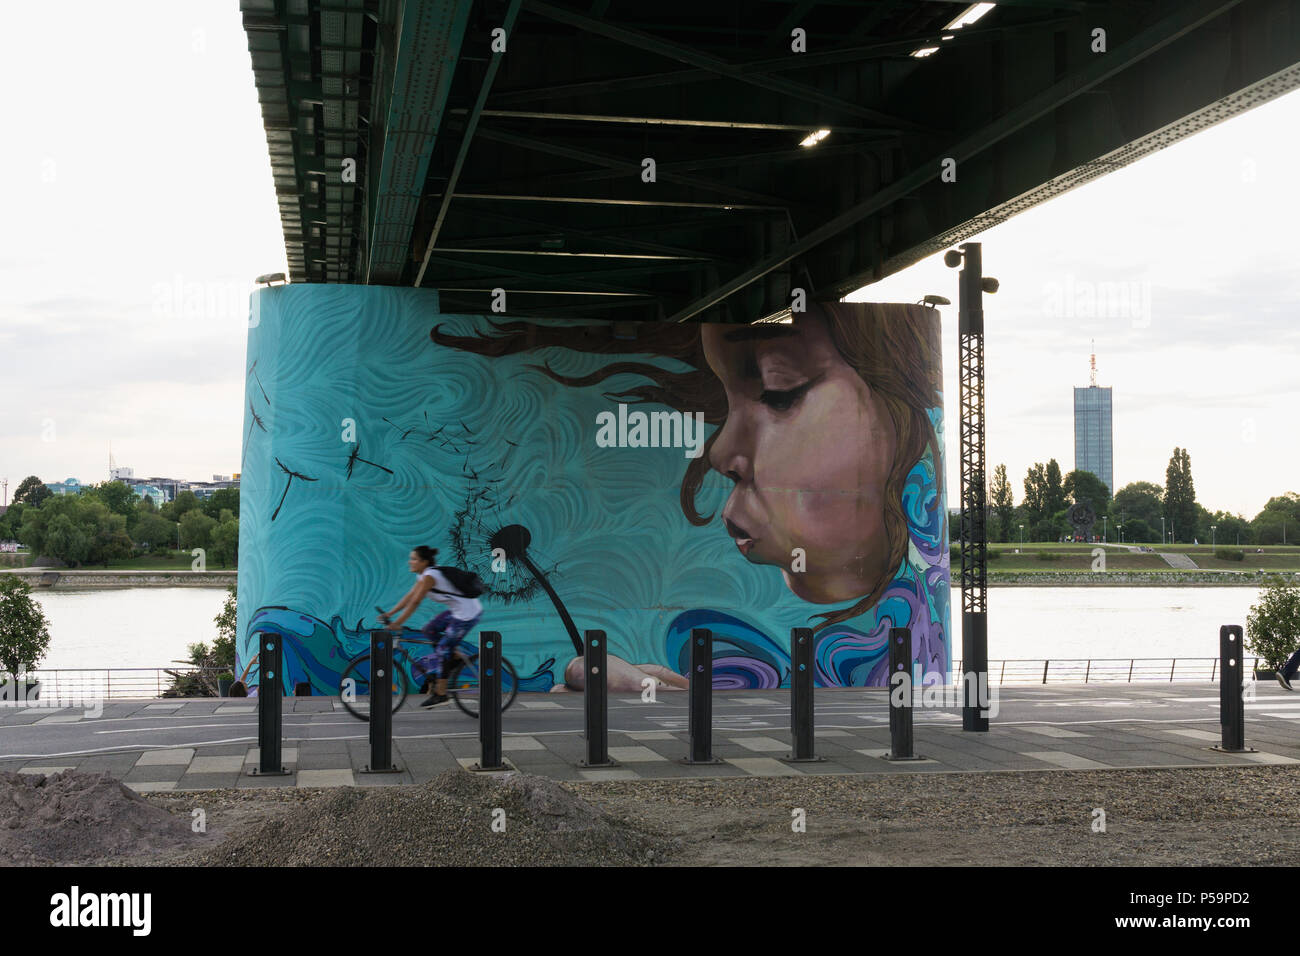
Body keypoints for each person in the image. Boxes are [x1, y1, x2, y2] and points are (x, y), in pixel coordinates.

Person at [381, 545, 482, 708]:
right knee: (429, 630)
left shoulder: (429, 577)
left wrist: (397, 623)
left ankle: (441, 694)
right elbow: (409, 596)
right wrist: (389, 614)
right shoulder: (422, 577)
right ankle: (454, 657)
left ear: (424, 562)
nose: (410, 562)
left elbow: (415, 602)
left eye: (414, 559)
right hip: (457, 611)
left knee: (442, 649)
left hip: (467, 614)